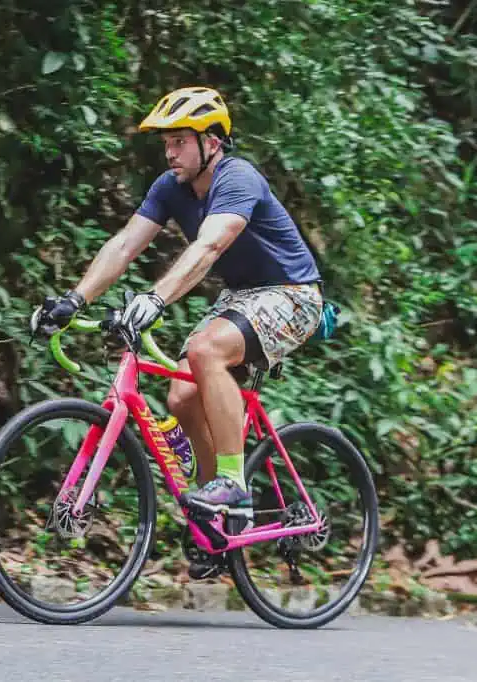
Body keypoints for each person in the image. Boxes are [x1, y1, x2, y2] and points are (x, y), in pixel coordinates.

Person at [30, 86, 324, 578]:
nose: (170, 152)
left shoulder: (238, 178)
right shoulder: (170, 187)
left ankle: (233, 482)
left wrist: (155, 298)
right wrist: (73, 300)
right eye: (166, 143)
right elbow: (124, 245)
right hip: (241, 298)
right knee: (183, 397)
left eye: (180, 141)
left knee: (207, 352)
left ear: (211, 141)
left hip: (292, 293)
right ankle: (218, 523)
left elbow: (209, 247)